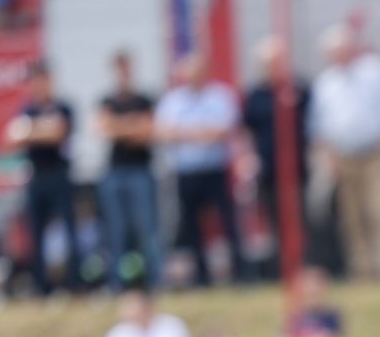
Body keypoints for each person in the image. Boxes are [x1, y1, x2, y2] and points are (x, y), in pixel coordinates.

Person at [311, 25, 380, 282]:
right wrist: (328, 159)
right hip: (342, 157)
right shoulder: (325, 83)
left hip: (375, 154)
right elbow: (320, 126)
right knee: (352, 219)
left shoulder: (375, 71)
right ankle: (362, 272)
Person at [156, 52, 244, 287]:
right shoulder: (173, 101)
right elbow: (165, 132)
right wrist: (202, 132)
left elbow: (223, 131)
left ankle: (241, 274)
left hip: (215, 170)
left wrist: (186, 132)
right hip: (186, 173)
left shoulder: (220, 96)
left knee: (228, 222)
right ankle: (201, 277)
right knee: (192, 226)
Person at [241, 37, 313, 281]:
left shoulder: (297, 89)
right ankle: (282, 271)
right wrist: (247, 159)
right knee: (274, 224)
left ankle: (305, 269)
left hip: (296, 170)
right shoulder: (255, 95)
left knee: (300, 222)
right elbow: (246, 132)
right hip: (268, 172)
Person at [9, 63, 79, 294]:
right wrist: (42, 131)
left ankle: (74, 283)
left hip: (60, 175)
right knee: (35, 233)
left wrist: (32, 132)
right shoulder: (27, 110)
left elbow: (58, 134)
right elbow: (13, 137)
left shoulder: (63, 107)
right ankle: (41, 286)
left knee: (69, 229)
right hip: (37, 176)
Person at [97, 50, 162, 290]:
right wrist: (131, 125)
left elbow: (146, 132)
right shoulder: (107, 101)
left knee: (146, 229)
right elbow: (104, 129)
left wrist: (120, 126)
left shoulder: (144, 99)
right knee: (116, 230)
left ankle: (155, 282)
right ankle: (117, 284)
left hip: (141, 171)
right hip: (115, 172)